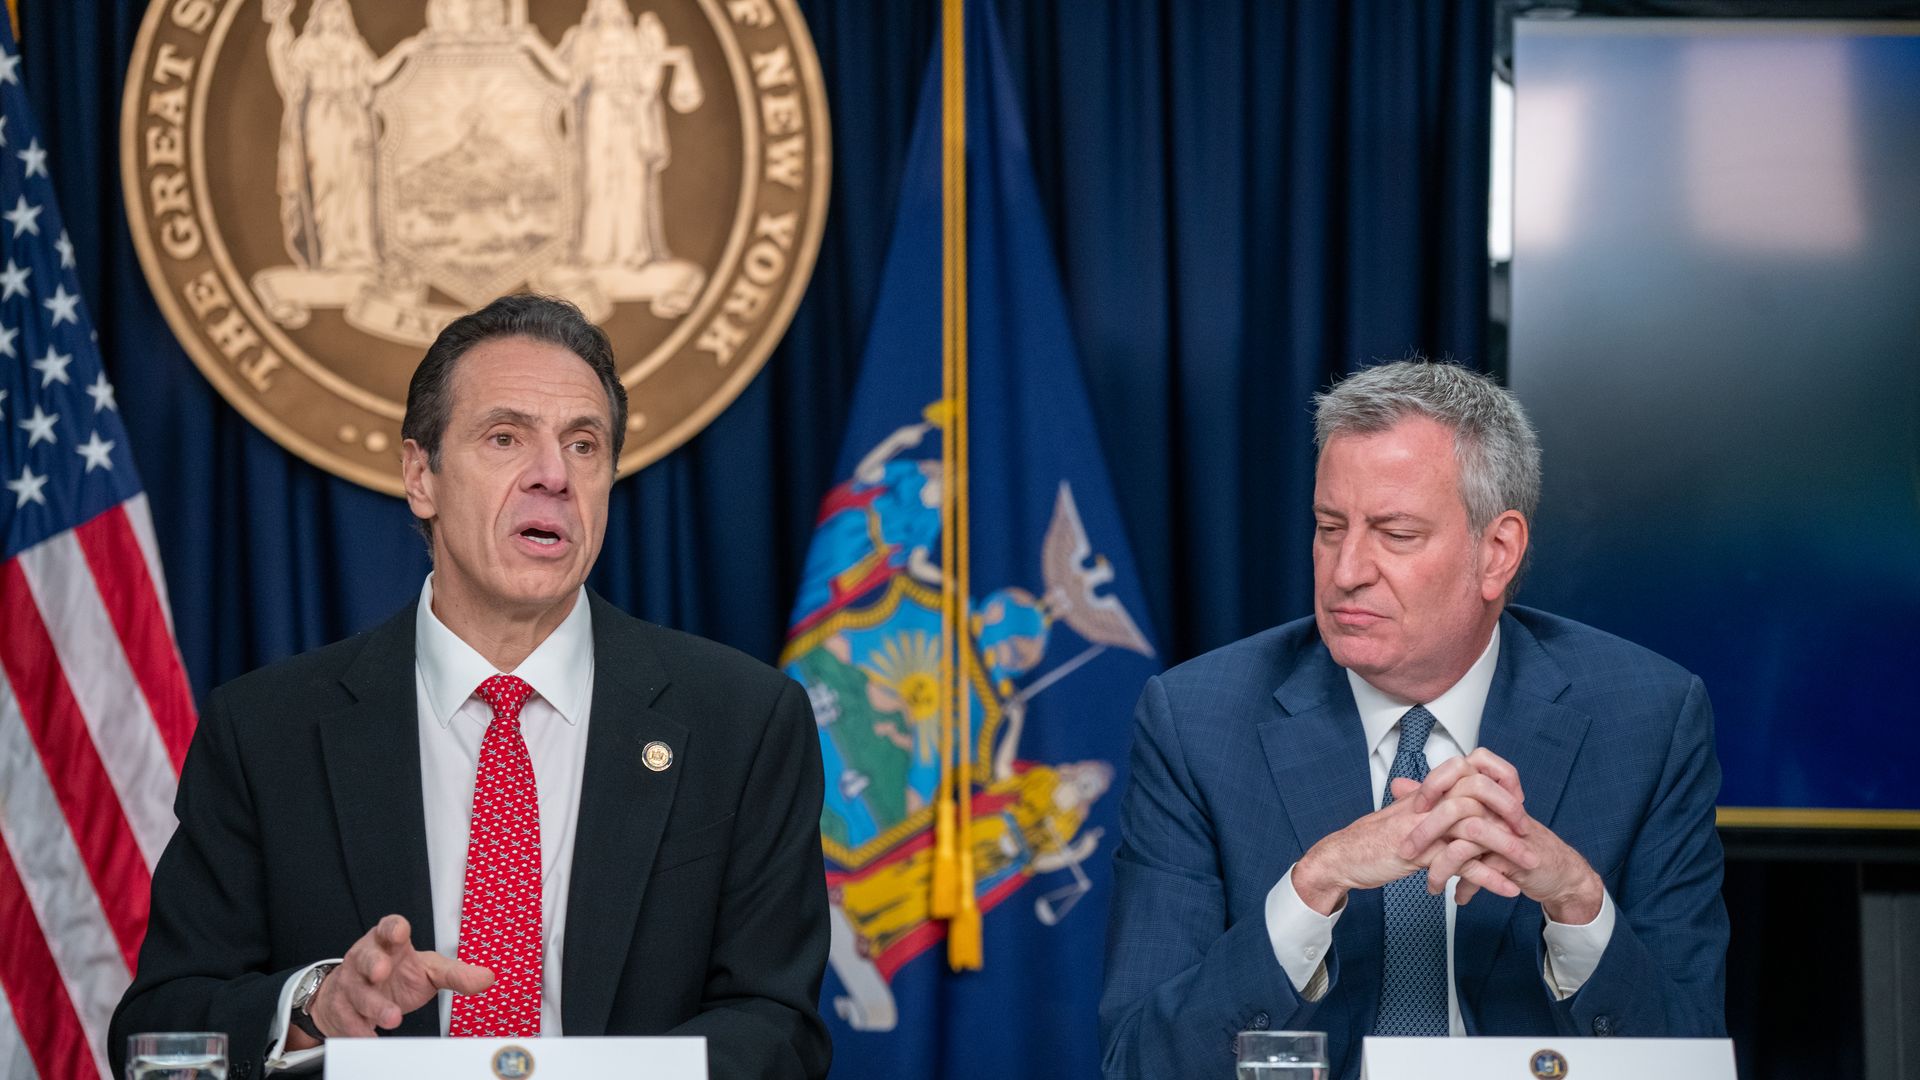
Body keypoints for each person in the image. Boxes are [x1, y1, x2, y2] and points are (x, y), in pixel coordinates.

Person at [110, 295, 831, 1079]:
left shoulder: (744, 723)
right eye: (505, 437)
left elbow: (777, 1028)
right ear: (421, 475)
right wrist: (318, 1006)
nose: (553, 475)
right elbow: (160, 1027)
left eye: (583, 445)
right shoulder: (265, 732)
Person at [1099, 360, 1726, 1080]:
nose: (1346, 571)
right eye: (1329, 528)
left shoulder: (1646, 719)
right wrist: (1314, 884)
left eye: (1394, 534)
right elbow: (1140, 1063)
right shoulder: (1198, 721)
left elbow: (1692, 1057)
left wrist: (1578, 903)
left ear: (1497, 553)